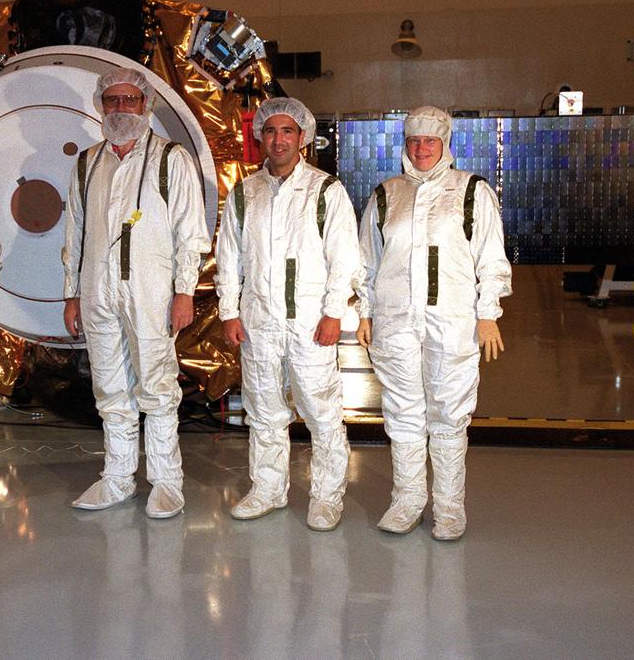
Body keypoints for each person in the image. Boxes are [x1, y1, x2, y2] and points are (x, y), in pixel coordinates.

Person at [356, 105, 512, 540]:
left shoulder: (471, 191)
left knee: (448, 414)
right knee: (403, 414)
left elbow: (491, 258)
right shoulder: (387, 194)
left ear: (445, 143)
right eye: (413, 141)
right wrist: (365, 311)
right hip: (395, 323)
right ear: (404, 145)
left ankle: (448, 507)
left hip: (453, 322)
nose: (421, 149)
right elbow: (366, 261)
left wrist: (488, 316)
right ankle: (407, 500)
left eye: (430, 141)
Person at [62, 66, 211, 519]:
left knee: (157, 387)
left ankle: (166, 482)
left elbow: (192, 233)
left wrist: (184, 291)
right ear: (101, 106)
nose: (121, 108)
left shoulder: (171, 159)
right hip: (97, 291)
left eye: (130, 100)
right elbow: (75, 233)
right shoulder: (88, 163)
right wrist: (72, 294)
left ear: (145, 105)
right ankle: (118, 477)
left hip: (151, 292)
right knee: (110, 387)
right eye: (113, 101)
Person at [215, 97, 362, 531]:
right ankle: (268, 489)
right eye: (270, 131)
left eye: (288, 131)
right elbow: (229, 257)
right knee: (263, 411)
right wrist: (229, 310)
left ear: (303, 138)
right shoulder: (246, 192)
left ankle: (326, 497)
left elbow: (344, 258)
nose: (278, 140)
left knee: (321, 412)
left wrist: (334, 313)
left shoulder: (325, 190)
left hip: (309, 324)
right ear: (259, 137)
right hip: (258, 321)